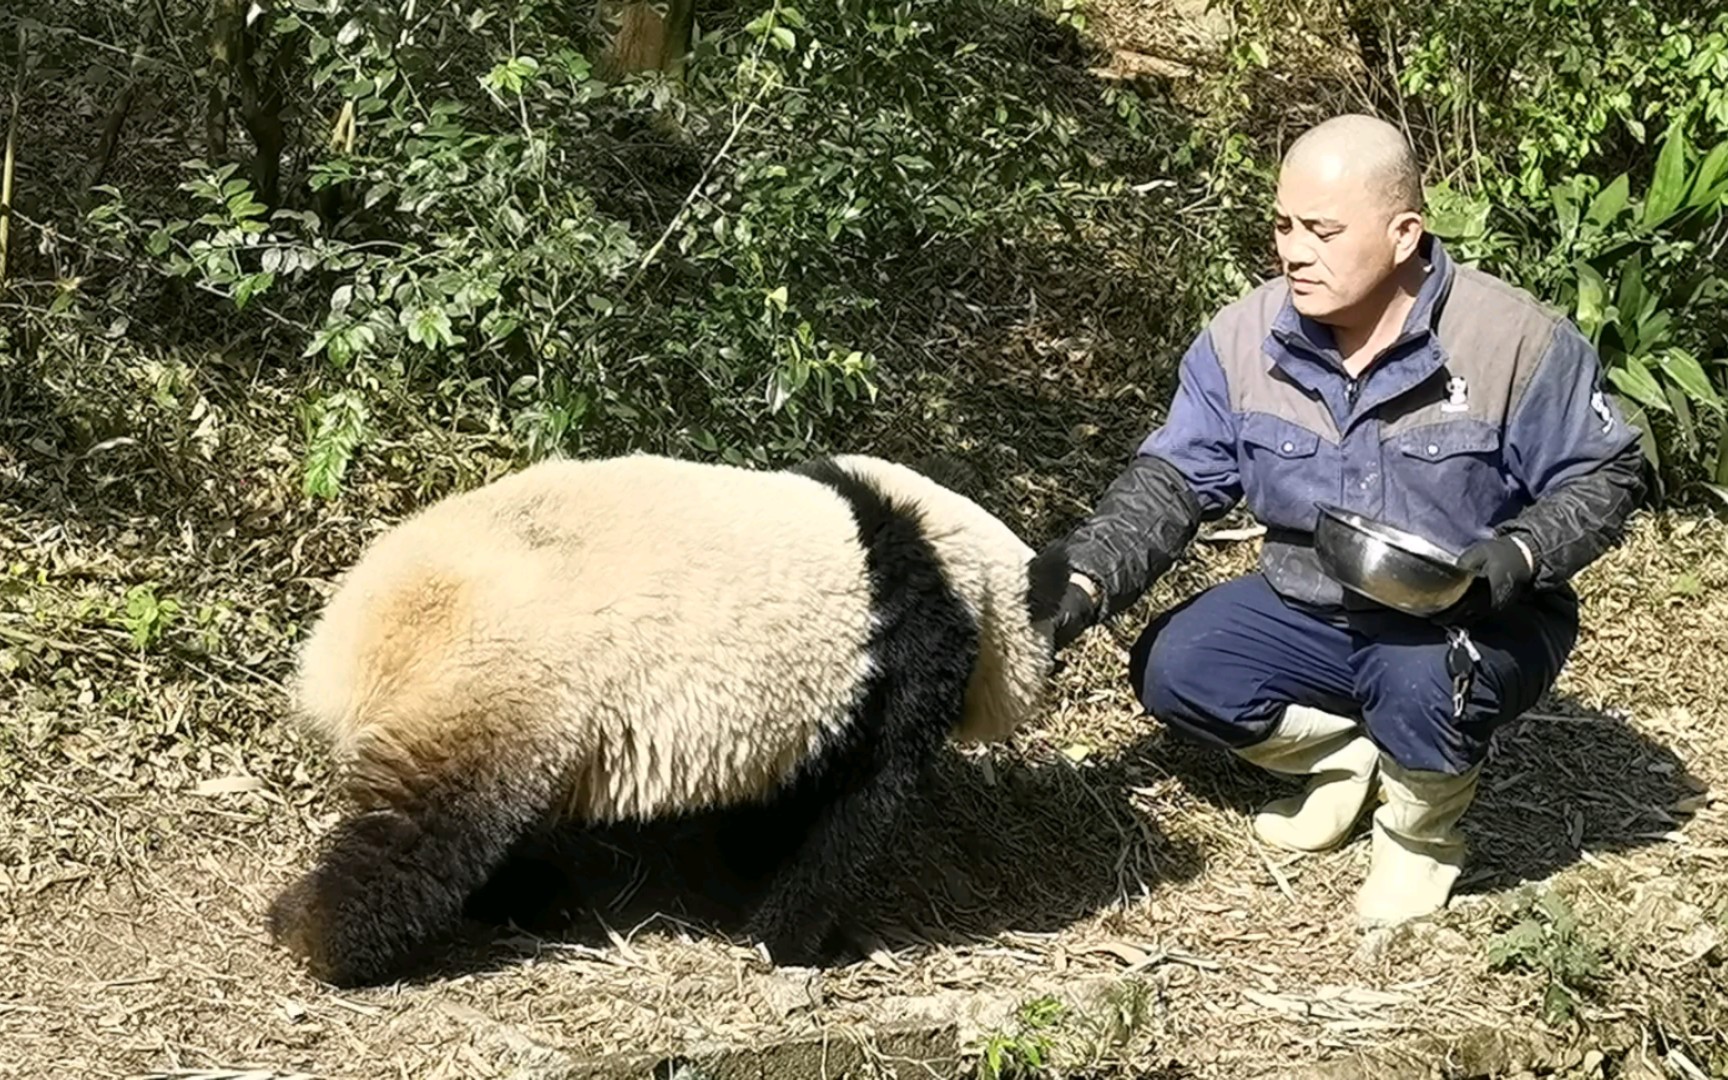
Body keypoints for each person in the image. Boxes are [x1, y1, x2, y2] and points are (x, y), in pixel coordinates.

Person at [1045, 113, 1646, 927]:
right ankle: (1340, 758)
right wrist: (1080, 579)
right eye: (1284, 225)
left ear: (1404, 233)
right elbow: (1173, 480)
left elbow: (1606, 470)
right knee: (1177, 665)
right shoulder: (1242, 339)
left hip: (1472, 616)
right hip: (1310, 602)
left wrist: (1519, 553)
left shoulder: (1512, 340)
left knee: (1421, 681)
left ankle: (1420, 836)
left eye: (1323, 230)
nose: (1293, 250)